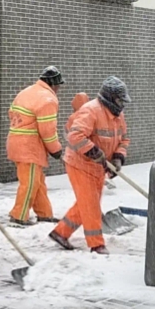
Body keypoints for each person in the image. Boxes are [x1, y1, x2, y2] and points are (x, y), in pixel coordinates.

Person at [50, 76, 131, 255]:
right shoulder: (91, 111)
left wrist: (118, 157)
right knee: (91, 205)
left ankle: (60, 232)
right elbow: (75, 136)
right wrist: (94, 152)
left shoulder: (118, 115)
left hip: (99, 167)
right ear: (109, 98)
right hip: (80, 164)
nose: (122, 104)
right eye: (119, 100)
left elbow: (124, 138)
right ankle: (96, 244)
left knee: (86, 203)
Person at [6, 66, 65, 226]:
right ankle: (18, 216)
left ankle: (44, 214)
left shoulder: (27, 92)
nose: (59, 89)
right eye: (58, 85)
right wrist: (56, 150)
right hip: (29, 147)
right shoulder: (47, 100)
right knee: (30, 183)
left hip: (17, 141)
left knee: (37, 180)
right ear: (53, 84)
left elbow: (12, 113)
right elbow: (47, 130)